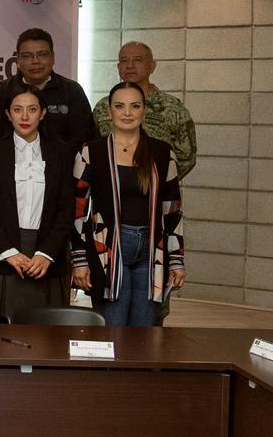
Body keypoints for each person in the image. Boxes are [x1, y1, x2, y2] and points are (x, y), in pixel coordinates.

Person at [72, 82, 187, 326]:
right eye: (119, 106)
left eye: (134, 106)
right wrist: (79, 259)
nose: (127, 113)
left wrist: (176, 259)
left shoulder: (163, 153)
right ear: (109, 111)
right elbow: (77, 209)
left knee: (145, 331)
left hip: (152, 251)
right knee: (112, 329)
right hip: (109, 250)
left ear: (144, 111)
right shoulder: (91, 152)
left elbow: (173, 210)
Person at [0, 85, 76, 323]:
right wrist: (8, 252)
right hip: (3, 253)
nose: (25, 116)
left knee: (45, 336)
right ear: (8, 114)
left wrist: (47, 253)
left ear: (43, 113)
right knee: (0, 335)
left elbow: (66, 209)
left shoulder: (60, 152)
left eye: (32, 109)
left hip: (46, 254)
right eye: (17, 110)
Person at [92, 41, 197, 180]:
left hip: (155, 187)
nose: (130, 65)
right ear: (118, 67)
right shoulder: (103, 106)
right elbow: (93, 149)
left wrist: (160, 181)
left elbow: (187, 157)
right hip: (111, 186)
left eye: (138, 60)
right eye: (124, 60)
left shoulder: (172, 107)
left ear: (152, 66)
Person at [0, 28, 95, 149]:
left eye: (42, 55)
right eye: (27, 56)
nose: (35, 61)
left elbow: (83, 137)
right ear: (18, 60)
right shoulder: (2, 91)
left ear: (53, 57)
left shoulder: (72, 91)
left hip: (64, 160)